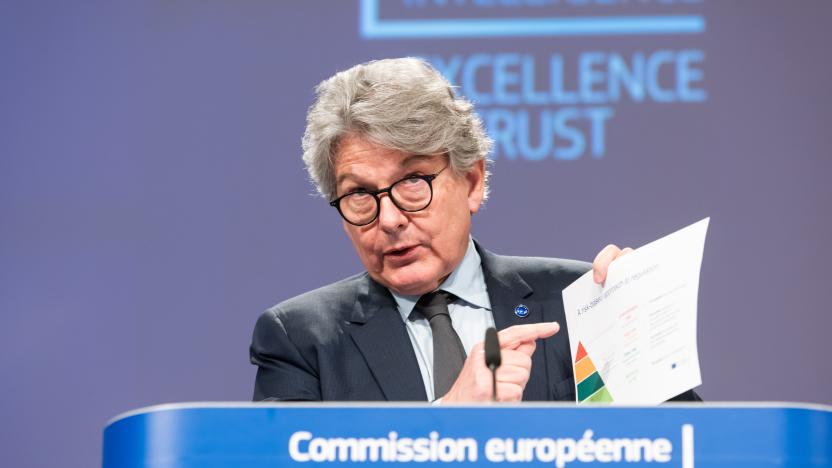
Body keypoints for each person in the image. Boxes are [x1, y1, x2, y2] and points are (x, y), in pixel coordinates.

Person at [250, 57, 700, 403]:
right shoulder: (300, 339)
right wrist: (447, 419)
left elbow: (691, 448)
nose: (388, 220)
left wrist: (639, 336)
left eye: (411, 182)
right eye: (359, 194)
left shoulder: (577, 301)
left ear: (472, 182)